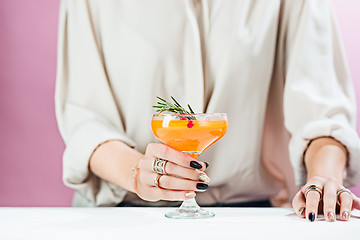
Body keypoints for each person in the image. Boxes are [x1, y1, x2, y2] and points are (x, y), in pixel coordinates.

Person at [55, 0, 360, 222]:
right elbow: (85, 118)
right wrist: (137, 173)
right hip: (118, 217)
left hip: (248, 220)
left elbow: (323, 116)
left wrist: (324, 178)